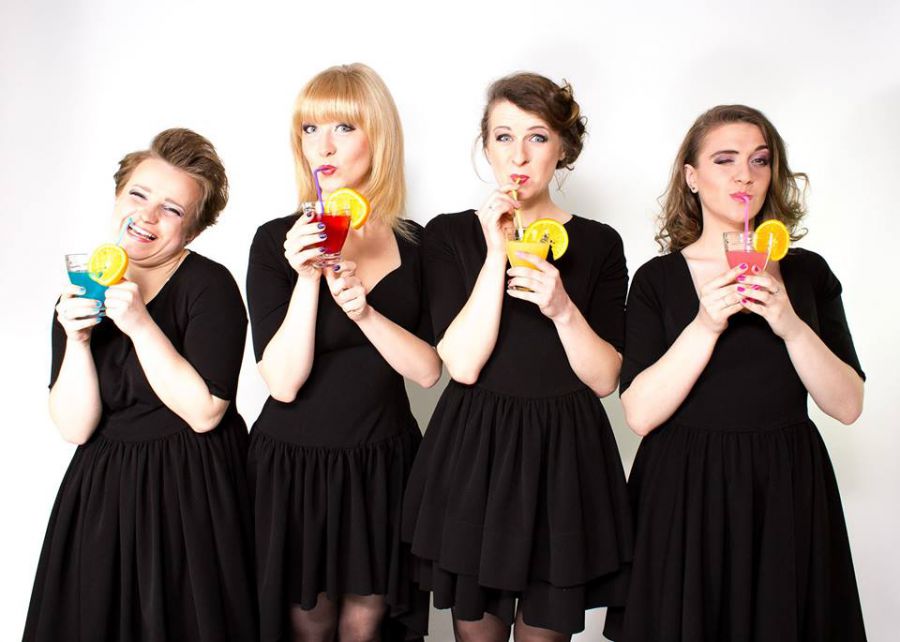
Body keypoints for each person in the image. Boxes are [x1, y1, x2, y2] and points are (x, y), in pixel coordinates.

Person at [603, 105, 867, 641]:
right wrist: (705, 324)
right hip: (683, 488)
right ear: (692, 177)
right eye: (724, 160)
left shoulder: (807, 273)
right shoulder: (658, 280)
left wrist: (790, 324)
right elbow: (639, 414)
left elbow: (847, 405)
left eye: (759, 160)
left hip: (785, 485)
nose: (745, 175)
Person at [402, 72, 632, 641]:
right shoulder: (450, 235)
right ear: (486, 147)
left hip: (566, 455)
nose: (519, 155)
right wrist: (495, 251)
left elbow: (605, 378)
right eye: (504, 137)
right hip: (475, 447)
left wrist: (562, 308)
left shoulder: (600, 243)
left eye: (537, 137)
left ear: (563, 149)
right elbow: (462, 365)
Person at [24, 128, 257, 641]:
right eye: (138, 195)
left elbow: (205, 412)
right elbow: (75, 427)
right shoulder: (81, 291)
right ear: (117, 198)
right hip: (103, 494)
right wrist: (77, 340)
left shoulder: (209, 285)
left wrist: (139, 323)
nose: (147, 216)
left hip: (192, 492)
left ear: (192, 230)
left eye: (171, 209)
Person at [246, 63, 439, 642]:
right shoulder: (274, 240)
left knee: (366, 622)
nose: (322, 146)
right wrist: (307, 277)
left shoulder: (416, 242)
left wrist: (365, 313)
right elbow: (283, 382)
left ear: (378, 137)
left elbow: (427, 371)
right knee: (309, 623)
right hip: (294, 466)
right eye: (309, 129)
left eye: (343, 128)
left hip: (383, 463)